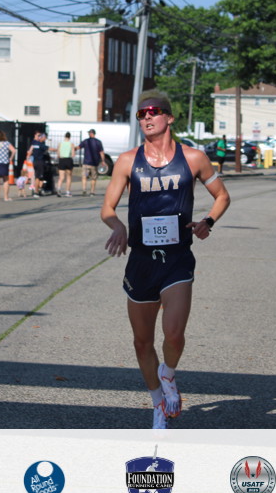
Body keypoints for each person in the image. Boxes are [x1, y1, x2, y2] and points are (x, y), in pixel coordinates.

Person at [102, 91, 231, 429]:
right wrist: (118, 227)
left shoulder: (194, 158)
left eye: (154, 111)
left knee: (173, 335)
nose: (147, 117)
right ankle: (158, 402)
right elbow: (107, 208)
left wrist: (208, 222)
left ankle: (169, 375)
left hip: (177, 259)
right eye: (141, 114)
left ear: (169, 117)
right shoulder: (127, 161)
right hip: (141, 261)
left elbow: (222, 196)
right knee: (142, 341)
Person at [79, 128, 105, 197]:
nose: (89, 134)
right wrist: (103, 161)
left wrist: (73, 149)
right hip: (94, 164)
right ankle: (92, 191)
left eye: (89, 133)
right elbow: (101, 152)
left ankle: (84, 189)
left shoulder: (86, 141)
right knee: (93, 178)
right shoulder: (98, 142)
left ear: (91, 134)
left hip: (86, 164)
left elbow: (78, 147)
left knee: (84, 176)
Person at [56, 132, 76, 196]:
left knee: (61, 177)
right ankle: (67, 191)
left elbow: (58, 154)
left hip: (62, 160)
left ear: (64, 136)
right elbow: (73, 154)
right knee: (69, 177)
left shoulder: (60, 144)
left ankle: (59, 189)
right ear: (70, 137)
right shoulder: (71, 144)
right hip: (68, 160)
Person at [29, 131, 48, 197]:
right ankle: (36, 190)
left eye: (40, 135)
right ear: (35, 135)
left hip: (35, 161)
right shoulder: (34, 142)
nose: (39, 137)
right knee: (36, 176)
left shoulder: (37, 143)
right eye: (38, 135)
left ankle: (38, 189)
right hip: (35, 161)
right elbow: (30, 151)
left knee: (37, 176)